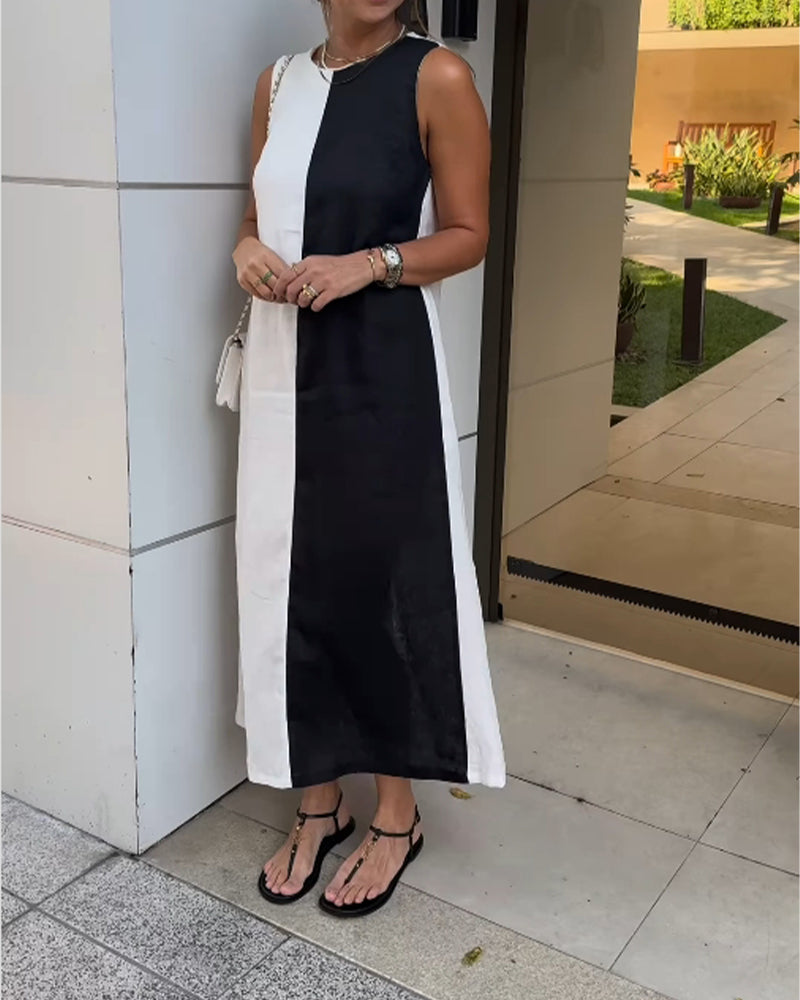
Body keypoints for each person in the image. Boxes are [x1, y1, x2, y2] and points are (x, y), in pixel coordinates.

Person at [231, 0, 505, 918]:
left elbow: (469, 234)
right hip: (282, 367)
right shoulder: (278, 85)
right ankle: (318, 802)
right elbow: (257, 214)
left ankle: (396, 814)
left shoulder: (437, 76)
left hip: (381, 371)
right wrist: (245, 249)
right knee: (288, 575)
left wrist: (368, 262)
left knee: (379, 578)